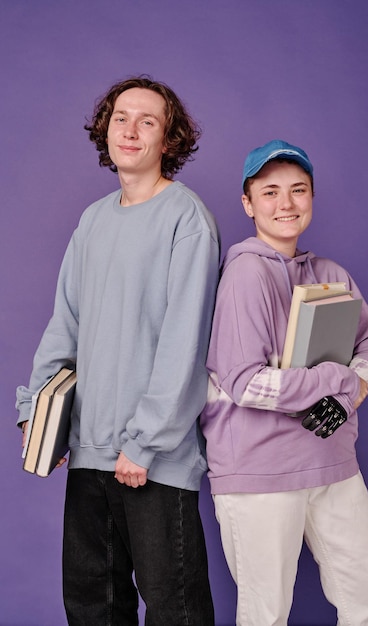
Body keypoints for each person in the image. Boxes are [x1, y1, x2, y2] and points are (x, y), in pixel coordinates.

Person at [16, 76, 219, 625]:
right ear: (105, 129)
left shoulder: (187, 219)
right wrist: (42, 418)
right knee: (92, 609)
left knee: (175, 610)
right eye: (120, 117)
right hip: (87, 452)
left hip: (152, 461)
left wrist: (145, 442)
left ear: (168, 139)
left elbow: (185, 340)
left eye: (147, 121)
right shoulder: (93, 221)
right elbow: (66, 325)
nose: (130, 130)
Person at [200, 139, 368, 625]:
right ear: (248, 204)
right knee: (266, 614)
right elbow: (246, 384)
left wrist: (351, 389)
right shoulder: (244, 274)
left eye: (298, 190)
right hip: (260, 472)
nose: (285, 204)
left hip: (332, 462)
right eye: (269, 192)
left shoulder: (330, 274)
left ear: (312, 197)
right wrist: (341, 381)